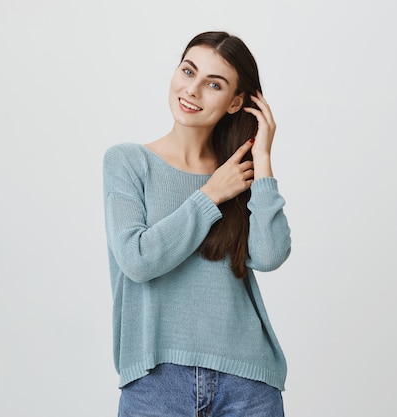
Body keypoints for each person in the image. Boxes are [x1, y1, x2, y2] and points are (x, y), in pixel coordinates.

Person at [102, 31, 292, 416]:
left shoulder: (239, 175)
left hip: (247, 382)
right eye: (188, 71)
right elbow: (137, 259)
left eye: (214, 84)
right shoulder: (127, 162)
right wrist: (210, 195)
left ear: (236, 102)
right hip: (156, 382)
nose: (193, 90)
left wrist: (264, 156)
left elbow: (269, 255)